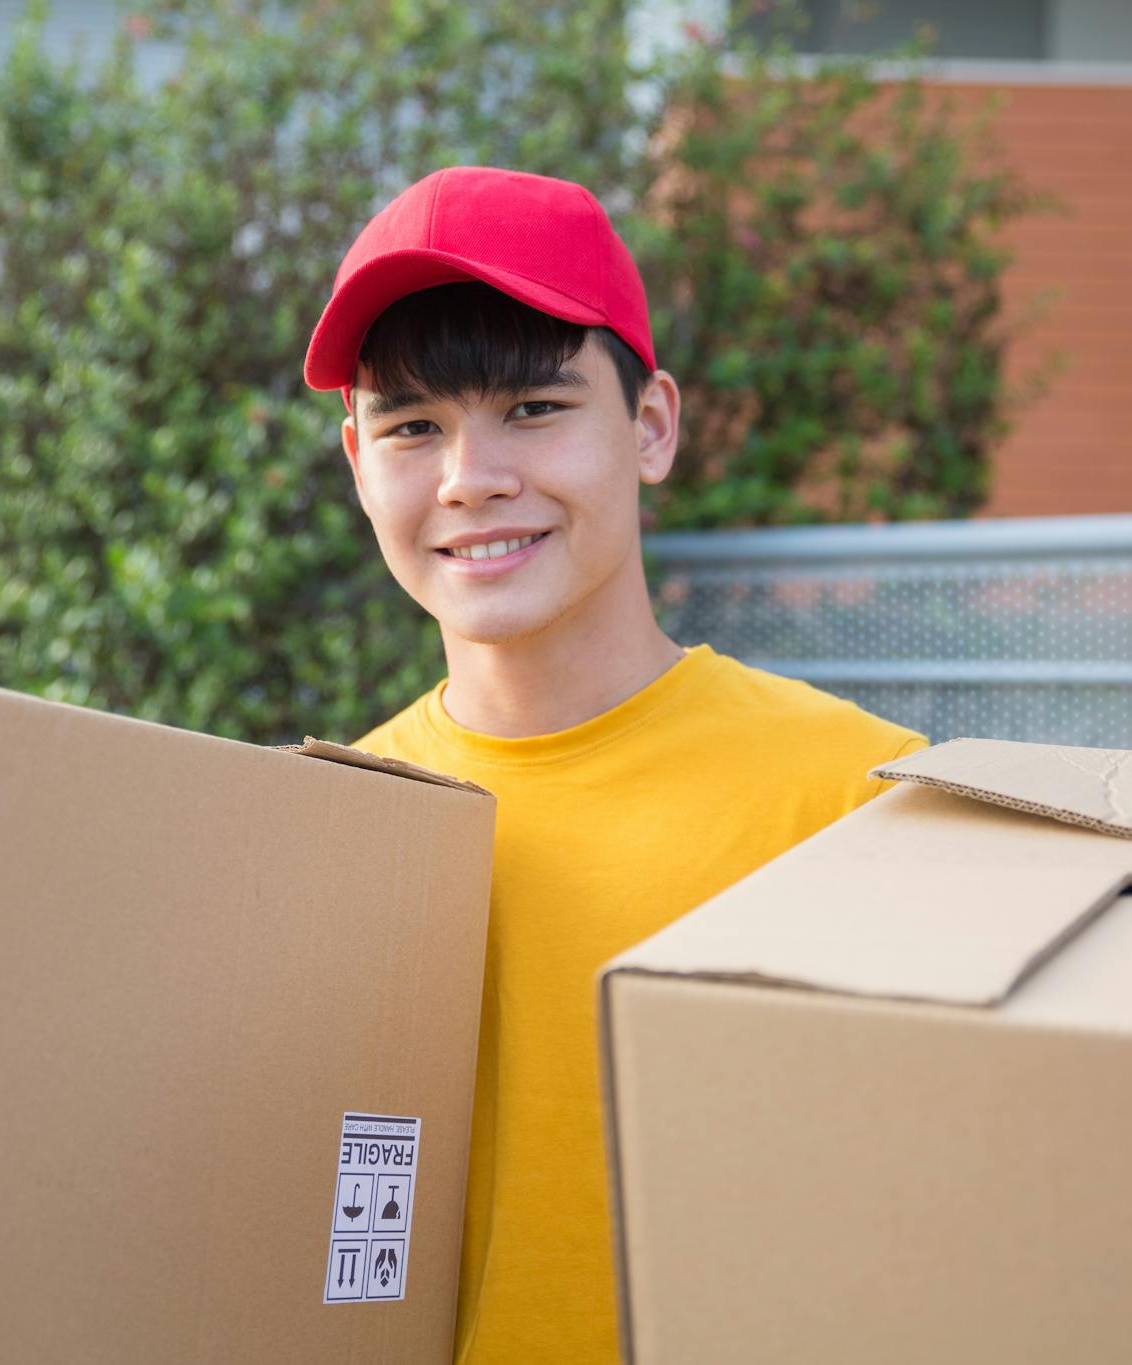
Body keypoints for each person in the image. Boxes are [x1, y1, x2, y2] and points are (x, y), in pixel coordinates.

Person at [304, 165, 928, 1363]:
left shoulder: (856, 799)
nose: (470, 477)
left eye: (533, 409)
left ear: (649, 428)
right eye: (412, 425)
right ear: (355, 463)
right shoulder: (332, 825)